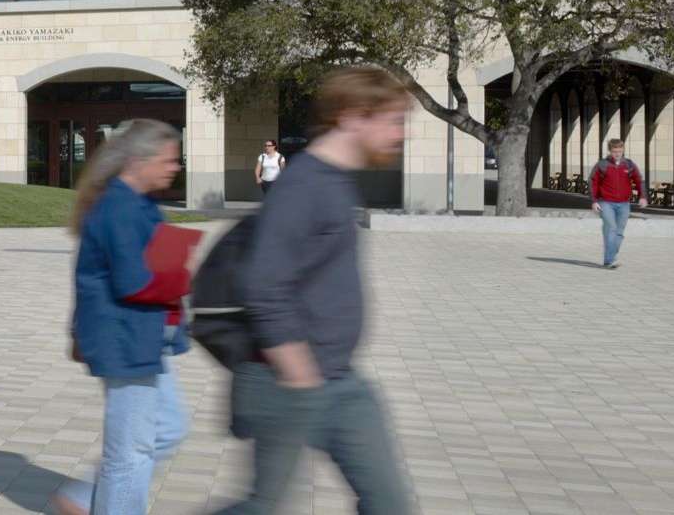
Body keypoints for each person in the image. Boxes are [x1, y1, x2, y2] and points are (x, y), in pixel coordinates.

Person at [215, 64, 416, 515]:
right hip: (290, 380)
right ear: (352, 116)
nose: (400, 133)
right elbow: (263, 283)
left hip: (340, 379)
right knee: (261, 508)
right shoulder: (304, 184)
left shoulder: (335, 182)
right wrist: (298, 370)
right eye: (393, 120)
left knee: (390, 505)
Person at [55, 118, 191, 515]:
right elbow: (136, 280)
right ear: (139, 160)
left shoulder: (138, 204)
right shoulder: (119, 208)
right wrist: (184, 272)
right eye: (168, 160)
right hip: (126, 341)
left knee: (165, 429)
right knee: (131, 452)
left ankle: (82, 498)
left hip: (143, 340)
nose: (174, 168)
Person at [586, 139, 644, 268]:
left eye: (619, 151)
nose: (617, 154)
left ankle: (608, 259)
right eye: (614, 151)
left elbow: (639, 180)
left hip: (624, 204)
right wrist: (594, 201)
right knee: (612, 229)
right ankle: (611, 260)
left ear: (623, 150)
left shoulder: (629, 165)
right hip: (606, 202)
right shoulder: (602, 165)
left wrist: (643, 196)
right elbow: (592, 182)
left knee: (619, 232)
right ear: (610, 151)